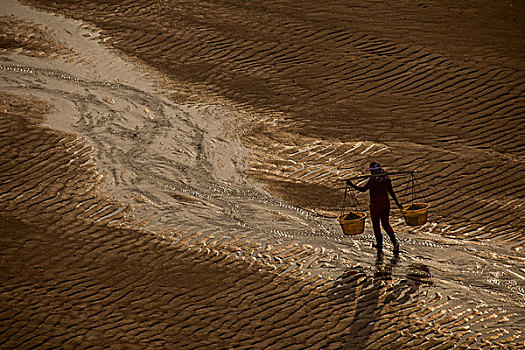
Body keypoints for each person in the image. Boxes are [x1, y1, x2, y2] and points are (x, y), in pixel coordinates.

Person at [346, 161, 402, 254]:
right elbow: (391, 193)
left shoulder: (373, 180)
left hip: (375, 206)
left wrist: (351, 185)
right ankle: (395, 242)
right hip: (386, 204)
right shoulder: (386, 178)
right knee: (386, 224)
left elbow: (362, 189)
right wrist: (398, 203)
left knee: (376, 226)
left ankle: (379, 245)